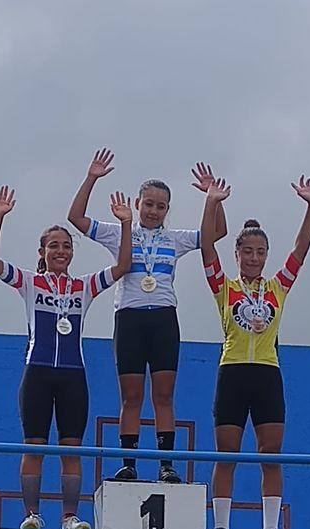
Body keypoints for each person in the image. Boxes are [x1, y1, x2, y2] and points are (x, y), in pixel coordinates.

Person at [68, 149, 227, 483]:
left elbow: (218, 233)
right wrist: (92, 177)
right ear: (138, 203)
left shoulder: (176, 238)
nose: (154, 211)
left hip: (164, 320)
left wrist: (213, 199)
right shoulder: (118, 231)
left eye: (161, 206)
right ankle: (129, 463)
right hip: (130, 319)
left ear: (168, 210)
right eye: (149, 204)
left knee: (164, 396)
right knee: (131, 397)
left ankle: (166, 465)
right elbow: (76, 218)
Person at [0, 185, 132, 529]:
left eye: (66, 246)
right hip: (37, 373)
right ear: (42, 252)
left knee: (71, 450)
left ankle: (69, 517)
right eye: (54, 246)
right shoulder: (30, 283)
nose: (61, 251)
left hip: (73, 376)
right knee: (34, 447)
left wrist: (126, 223)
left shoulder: (84, 286)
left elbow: (123, 265)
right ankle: (32, 515)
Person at [200, 175, 310, 529]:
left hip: (267, 373)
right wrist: (211, 202)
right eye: (248, 251)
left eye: (260, 252)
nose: (254, 258)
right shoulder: (225, 287)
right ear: (237, 254)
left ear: (266, 255)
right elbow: (206, 246)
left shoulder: (277, 286)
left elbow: (301, 249)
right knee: (227, 454)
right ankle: (221, 526)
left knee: (271, 453)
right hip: (232, 372)